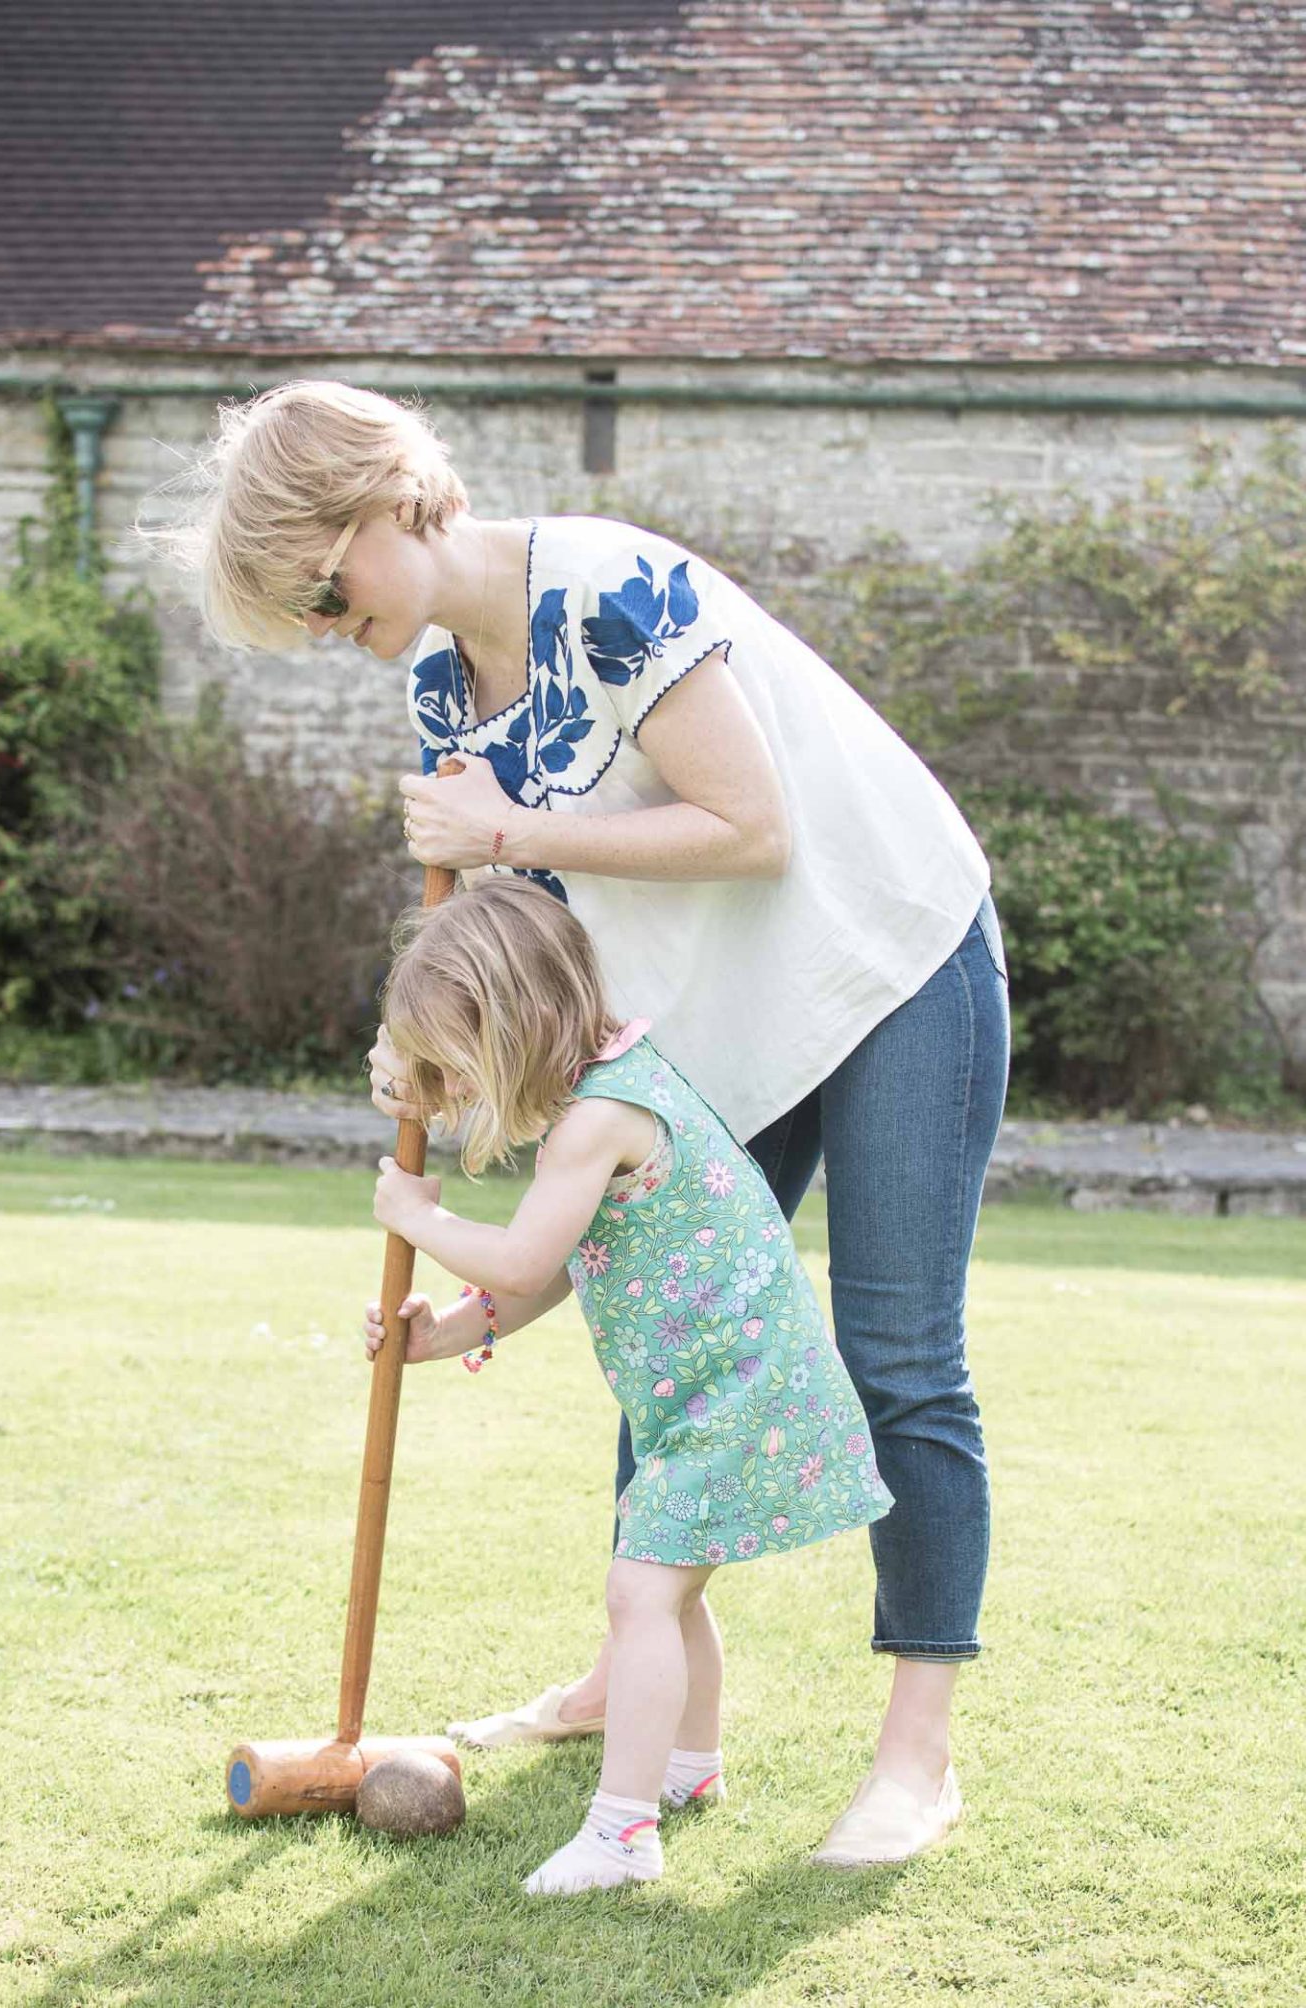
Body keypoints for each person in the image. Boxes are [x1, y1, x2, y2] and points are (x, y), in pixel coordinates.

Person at [181, 377, 1010, 1868]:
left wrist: (505, 831)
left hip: (885, 962)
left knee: (897, 1350)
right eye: (296, 612)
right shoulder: (444, 690)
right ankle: (644, 1683)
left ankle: (915, 1755)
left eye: (320, 584)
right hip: (712, 1029)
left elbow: (751, 828)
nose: (320, 623)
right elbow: (527, 951)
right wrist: (423, 1050)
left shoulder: (608, 584)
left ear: (389, 502)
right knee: (666, 1325)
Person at [362, 878, 894, 1893]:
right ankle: (688, 1767)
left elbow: (520, 1256)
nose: (456, 1086)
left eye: (460, 1062)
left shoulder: (601, 1116)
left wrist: (413, 1216)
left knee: (641, 1590)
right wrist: (442, 1336)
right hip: (704, 1389)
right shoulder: (601, 1092)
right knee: (672, 1587)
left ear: (513, 1024)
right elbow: (554, 1266)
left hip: (735, 1388)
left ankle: (621, 1833)